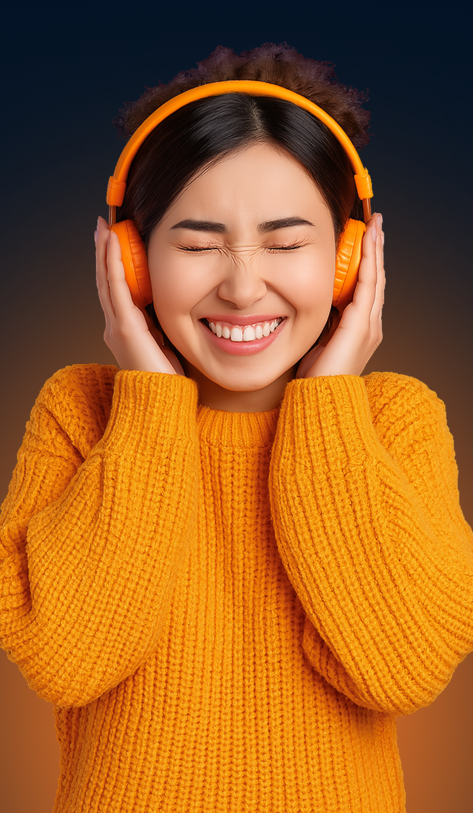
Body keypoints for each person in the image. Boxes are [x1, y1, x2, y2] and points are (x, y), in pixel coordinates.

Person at [1, 43, 472, 813]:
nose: (243, 285)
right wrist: (149, 398)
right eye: (195, 244)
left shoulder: (395, 422)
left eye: (287, 244)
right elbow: (68, 659)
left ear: (350, 260)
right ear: (133, 261)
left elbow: (403, 665)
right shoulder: (81, 413)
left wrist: (327, 404)